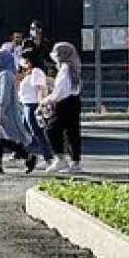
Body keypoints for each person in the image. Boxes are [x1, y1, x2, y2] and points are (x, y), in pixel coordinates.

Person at [0, 49, 38, 174]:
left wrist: (1, 111)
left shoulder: (6, 74)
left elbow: (5, 94)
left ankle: (28, 156)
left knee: (4, 138)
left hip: (4, 110)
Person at [43, 41, 84, 174]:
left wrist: (47, 100)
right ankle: (75, 162)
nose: (54, 56)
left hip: (64, 103)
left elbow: (60, 91)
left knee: (51, 129)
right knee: (72, 133)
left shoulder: (65, 68)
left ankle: (60, 158)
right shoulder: (75, 66)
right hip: (74, 102)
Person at [17, 54, 55, 166]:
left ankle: (49, 158)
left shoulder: (36, 72)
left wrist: (40, 105)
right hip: (26, 105)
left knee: (37, 133)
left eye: (24, 59)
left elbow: (40, 89)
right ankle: (20, 154)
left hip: (32, 105)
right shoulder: (30, 72)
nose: (22, 61)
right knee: (24, 132)